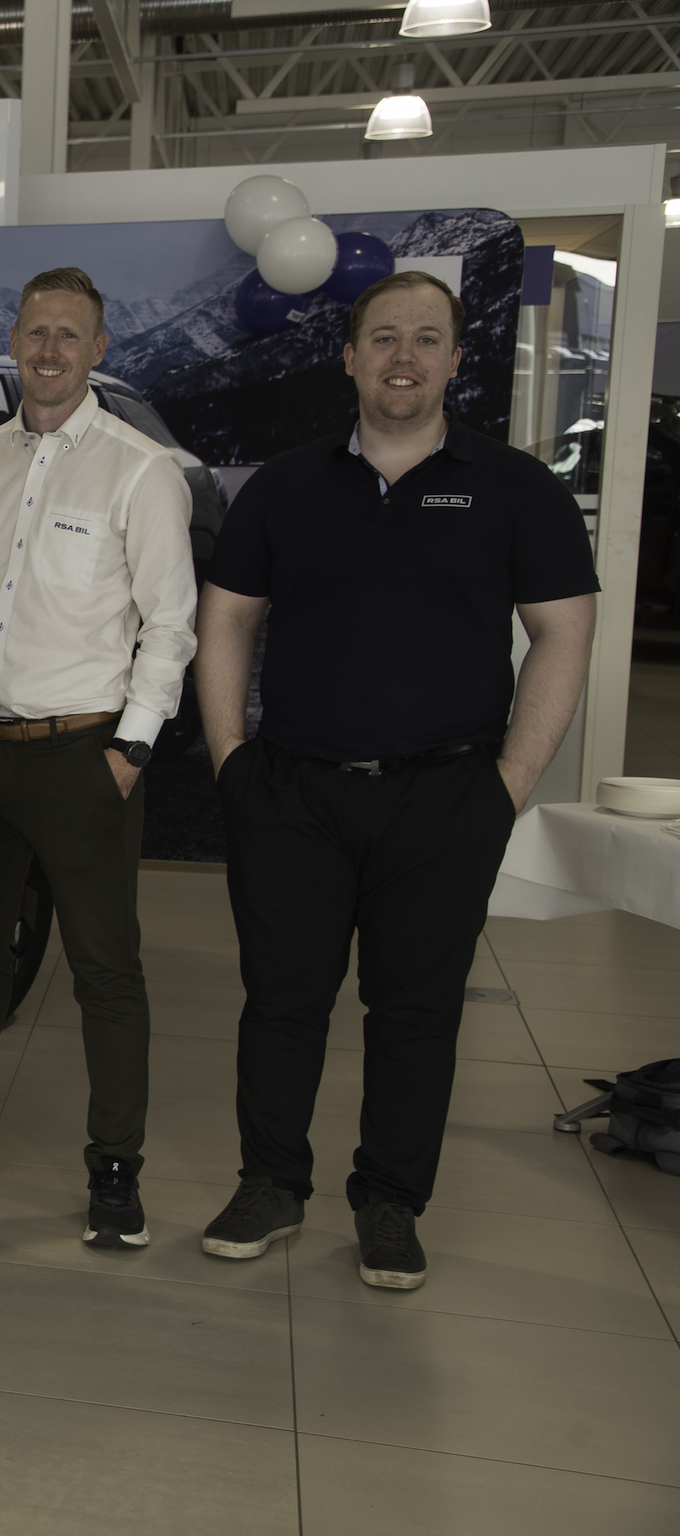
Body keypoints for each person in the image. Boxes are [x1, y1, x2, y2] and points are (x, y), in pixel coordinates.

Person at [197, 270, 596, 1291]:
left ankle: (389, 1202)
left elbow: (563, 632)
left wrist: (509, 782)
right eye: (383, 337)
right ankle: (270, 1184)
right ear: (349, 357)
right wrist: (232, 758)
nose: (403, 356)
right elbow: (228, 617)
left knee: (416, 1011)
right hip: (293, 791)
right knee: (282, 1000)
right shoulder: (286, 485)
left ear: (457, 359)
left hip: (446, 794)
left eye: (425, 338)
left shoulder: (518, 488)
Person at [0, 265, 197, 1251]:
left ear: (98, 350)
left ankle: (115, 1170)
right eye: (35, 332)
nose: (48, 351)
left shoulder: (140, 470)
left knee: (104, 971)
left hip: (82, 755)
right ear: (13, 340)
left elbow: (171, 623)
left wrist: (131, 749)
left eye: (68, 335)